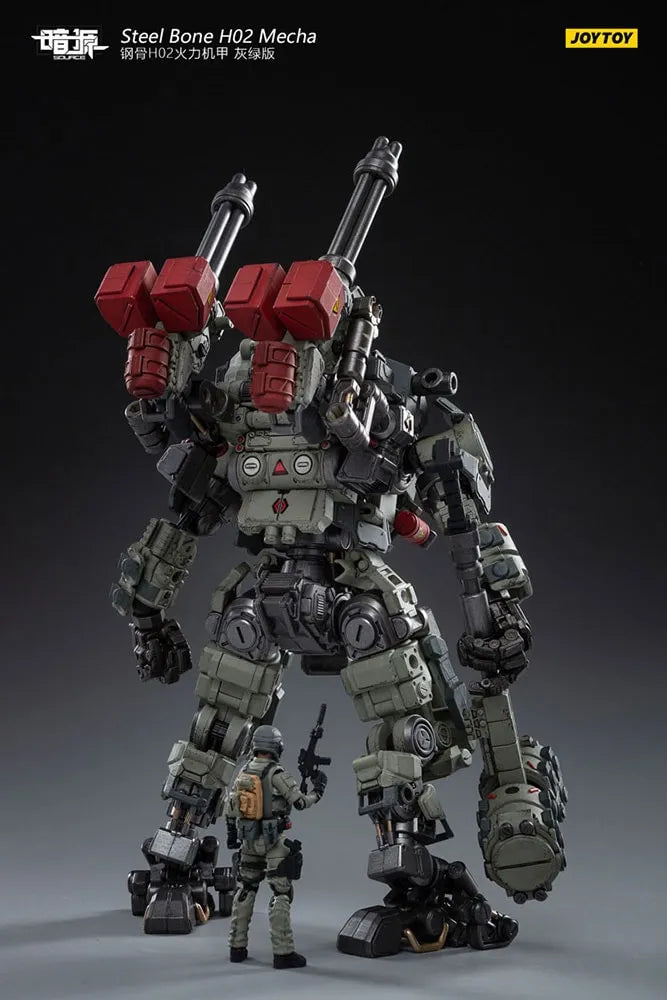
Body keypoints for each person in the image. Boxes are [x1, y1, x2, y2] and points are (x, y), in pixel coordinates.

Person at [226, 724, 327, 968]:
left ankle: (236, 948)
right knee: (281, 893)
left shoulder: (244, 771)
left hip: (248, 841)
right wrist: (318, 791)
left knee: (246, 889)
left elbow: (230, 806)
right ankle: (283, 953)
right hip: (272, 842)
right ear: (276, 747)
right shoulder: (276, 773)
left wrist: (232, 835)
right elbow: (300, 803)